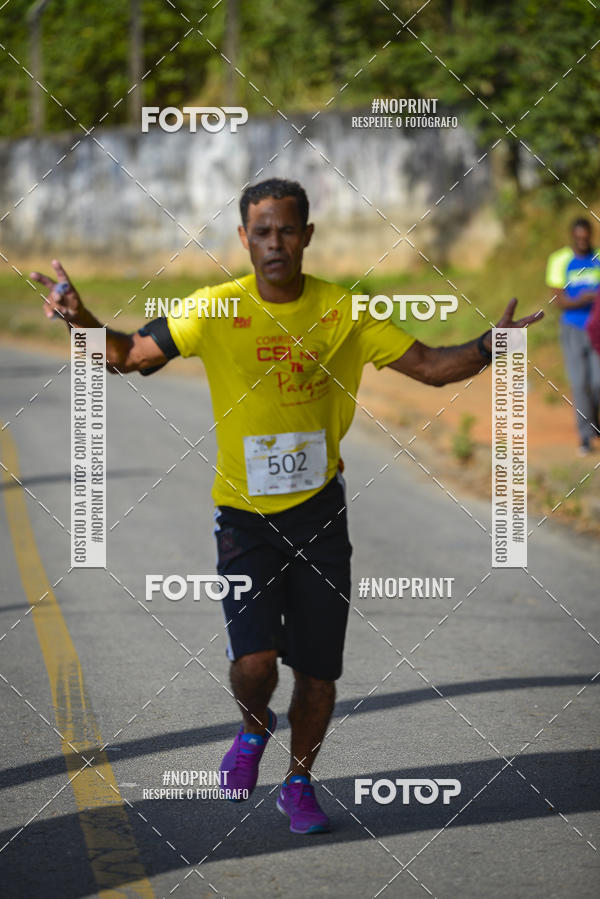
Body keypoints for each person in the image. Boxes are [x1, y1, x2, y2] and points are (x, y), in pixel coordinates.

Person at [32, 178, 542, 835]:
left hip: (320, 514)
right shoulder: (215, 310)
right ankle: (252, 728)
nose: (275, 243)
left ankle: (298, 781)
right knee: (255, 663)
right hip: (244, 519)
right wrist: (80, 320)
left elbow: (431, 366)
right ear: (244, 239)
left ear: (307, 236)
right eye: (262, 232)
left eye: (287, 230)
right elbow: (128, 353)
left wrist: (485, 347)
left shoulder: (345, 313)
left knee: (319, 673)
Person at [545, 218, 600, 454]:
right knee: (579, 383)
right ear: (572, 237)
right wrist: (583, 299)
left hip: (597, 328)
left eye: (585, 237)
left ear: (590, 235)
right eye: (578, 238)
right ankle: (585, 436)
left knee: (597, 382)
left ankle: (594, 424)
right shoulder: (559, 260)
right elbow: (558, 300)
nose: (582, 241)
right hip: (572, 328)